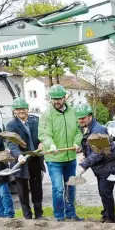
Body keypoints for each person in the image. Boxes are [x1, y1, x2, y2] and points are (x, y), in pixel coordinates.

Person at [38, 84, 83, 222]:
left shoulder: (73, 113)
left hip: (70, 157)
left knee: (71, 186)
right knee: (58, 188)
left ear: (65, 97)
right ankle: (59, 216)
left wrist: (76, 142)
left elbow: (78, 131)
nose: (56, 101)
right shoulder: (46, 115)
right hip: (54, 158)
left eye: (59, 98)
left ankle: (71, 213)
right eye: (54, 99)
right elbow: (44, 134)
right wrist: (50, 144)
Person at [75, 103, 115, 223]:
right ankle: (106, 214)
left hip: (109, 165)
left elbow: (100, 152)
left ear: (90, 116)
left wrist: (85, 164)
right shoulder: (87, 128)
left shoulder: (98, 129)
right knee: (103, 192)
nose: (81, 120)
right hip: (101, 166)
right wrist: (84, 155)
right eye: (79, 118)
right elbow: (90, 147)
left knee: (106, 192)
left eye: (83, 118)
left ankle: (111, 218)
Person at [6, 97, 45, 220]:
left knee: (37, 188)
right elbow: (11, 143)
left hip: (35, 159)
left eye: (23, 108)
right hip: (21, 161)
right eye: (18, 109)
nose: (21, 111)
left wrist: (42, 142)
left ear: (27, 109)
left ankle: (39, 214)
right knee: (22, 190)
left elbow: (43, 135)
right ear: (14, 111)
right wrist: (19, 155)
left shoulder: (36, 121)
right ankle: (27, 216)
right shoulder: (11, 125)